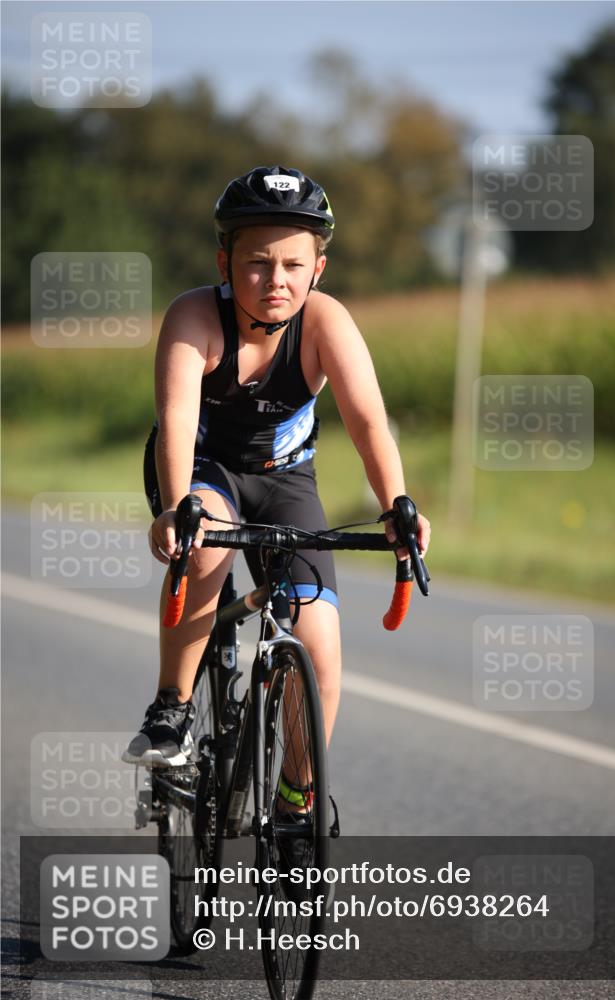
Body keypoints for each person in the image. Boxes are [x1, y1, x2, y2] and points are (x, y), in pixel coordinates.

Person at [123, 165, 430, 806]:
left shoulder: (326, 322)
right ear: (225, 262)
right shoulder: (194, 317)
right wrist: (178, 507)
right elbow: (176, 418)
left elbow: (369, 420)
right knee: (204, 541)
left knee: (318, 647)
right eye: (258, 264)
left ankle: (297, 801)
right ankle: (172, 709)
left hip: (287, 481)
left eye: (294, 264)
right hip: (202, 471)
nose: (276, 281)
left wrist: (396, 506)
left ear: (318, 267)